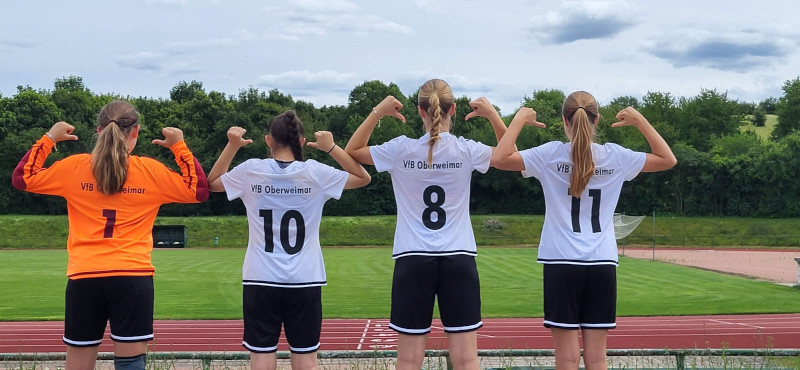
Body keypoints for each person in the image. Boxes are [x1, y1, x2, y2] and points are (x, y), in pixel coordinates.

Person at [11, 100, 209, 370]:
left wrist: (48, 139)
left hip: (85, 276)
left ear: (99, 130)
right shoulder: (151, 171)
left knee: (79, 363)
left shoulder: (75, 167)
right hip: (132, 277)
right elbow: (198, 190)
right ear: (136, 132)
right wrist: (179, 146)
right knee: (130, 365)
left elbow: (23, 177)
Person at [491, 91, 677, 370]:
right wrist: (640, 121)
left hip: (561, 261)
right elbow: (667, 159)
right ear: (597, 120)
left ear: (565, 121)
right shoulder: (616, 156)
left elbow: (501, 159)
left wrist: (518, 119)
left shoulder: (550, 154)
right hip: (601, 262)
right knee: (597, 358)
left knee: (566, 358)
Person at [344, 79, 508, 370]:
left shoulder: (400, 149)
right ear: (453, 109)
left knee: (408, 360)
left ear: (420, 110)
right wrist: (493, 114)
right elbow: (509, 155)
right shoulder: (466, 149)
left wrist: (377, 113)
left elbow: (352, 150)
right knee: (467, 359)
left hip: (412, 257)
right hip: (458, 256)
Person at [206, 110, 370, 370]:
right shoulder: (315, 172)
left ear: (268, 140)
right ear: (302, 142)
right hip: (305, 278)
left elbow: (211, 183)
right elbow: (363, 177)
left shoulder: (251, 171)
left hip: (260, 277)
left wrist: (232, 145)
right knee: (305, 357)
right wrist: (332, 148)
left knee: (261, 354)